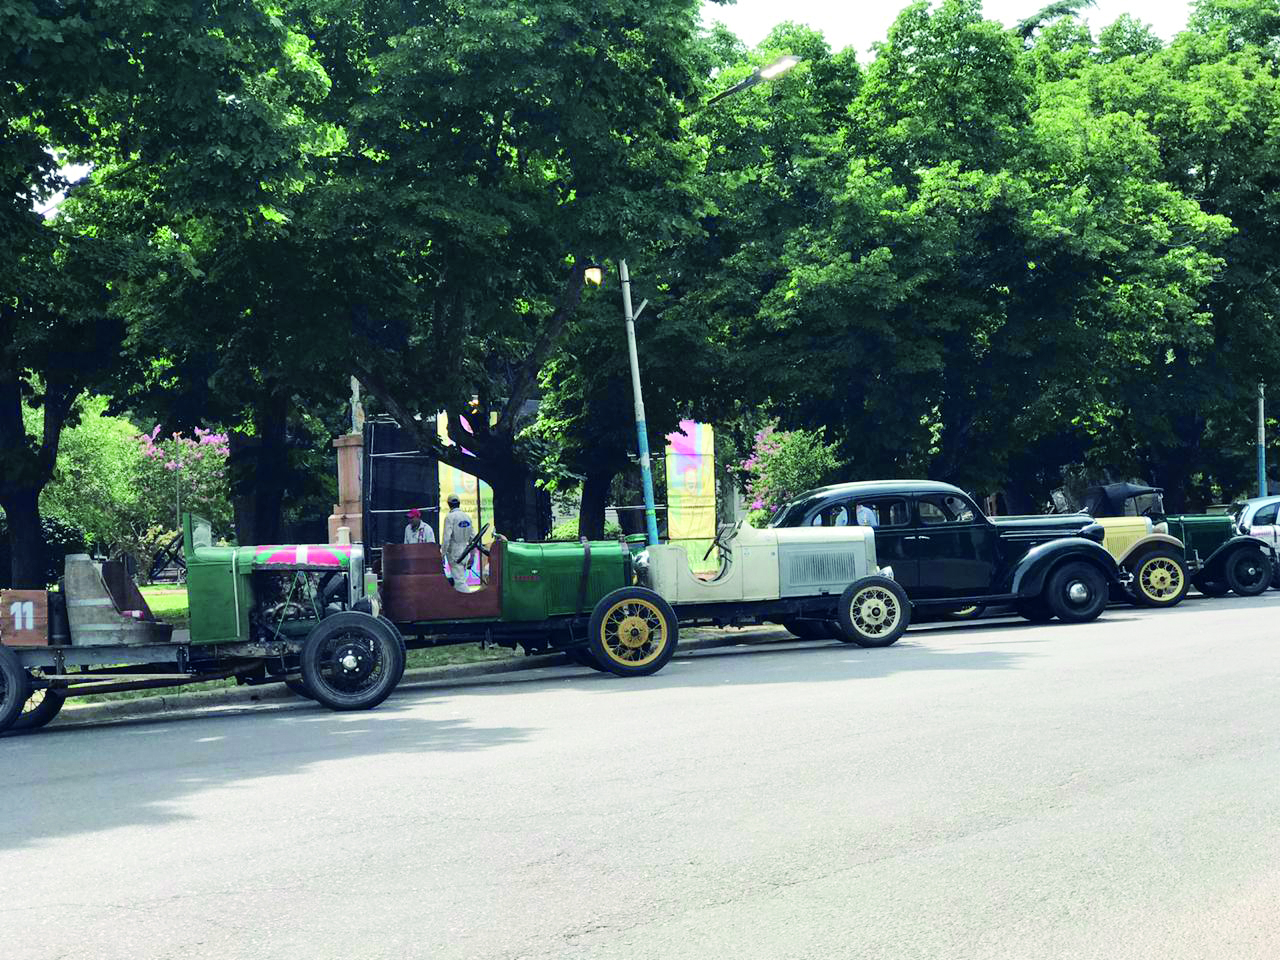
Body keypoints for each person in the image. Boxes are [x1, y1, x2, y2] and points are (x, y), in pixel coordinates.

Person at [441, 495, 475, 592]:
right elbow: (474, 538)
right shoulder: (467, 517)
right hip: (466, 552)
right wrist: (473, 555)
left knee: (459, 582)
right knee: (459, 580)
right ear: (459, 503)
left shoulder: (449, 517)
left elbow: (446, 538)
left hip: (454, 554)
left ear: (449, 504)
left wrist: (442, 555)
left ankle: (469, 603)